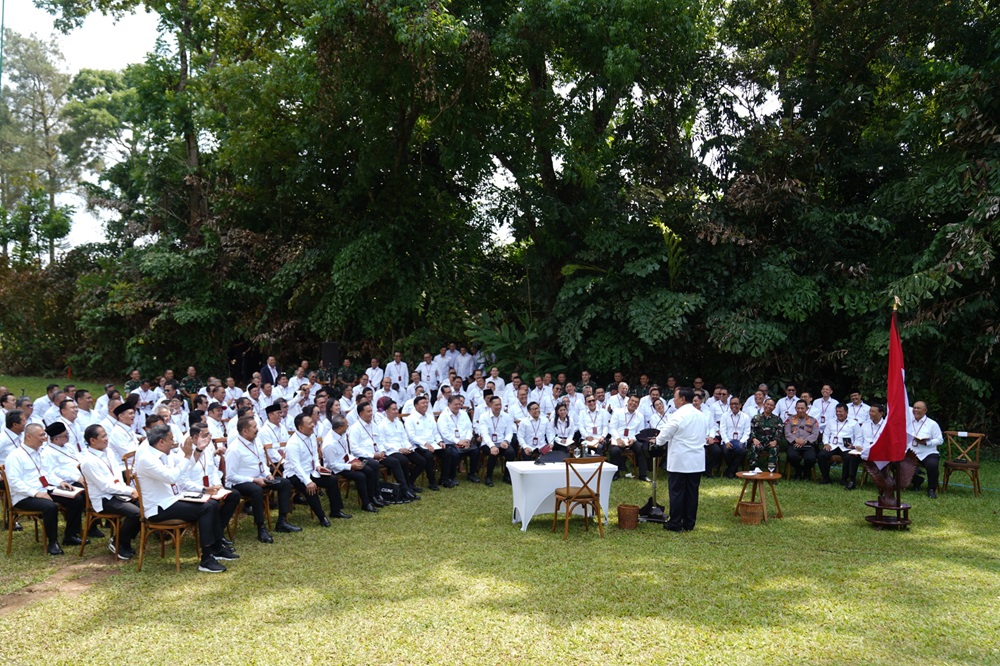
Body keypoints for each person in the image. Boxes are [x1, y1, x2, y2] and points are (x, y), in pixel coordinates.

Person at [133, 425, 237, 573]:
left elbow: (186, 467)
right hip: (158, 508)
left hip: (172, 500)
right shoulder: (147, 459)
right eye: (170, 439)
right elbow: (171, 477)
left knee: (212, 503)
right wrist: (187, 456)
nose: (174, 441)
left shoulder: (165, 455)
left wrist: (198, 450)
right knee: (206, 508)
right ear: (161, 442)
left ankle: (217, 547)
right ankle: (206, 558)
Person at [5, 423, 86, 554]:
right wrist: (36, 493)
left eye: (44, 435)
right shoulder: (15, 456)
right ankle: (52, 542)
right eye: (41, 435)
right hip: (24, 495)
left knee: (76, 499)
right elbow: (14, 482)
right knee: (50, 507)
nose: (44, 438)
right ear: (29, 437)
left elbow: (47, 473)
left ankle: (70, 535)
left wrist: (61, 482)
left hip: (45, 489)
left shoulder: (40, 453)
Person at [225, 416, 300, 543]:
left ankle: (282, 521)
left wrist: (267, 474)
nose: (257, 429)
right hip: (240, 483)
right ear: (244, 431)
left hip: (260, 478)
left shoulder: (256, 441)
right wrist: (253, 480)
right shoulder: (234, 449)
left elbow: (261, 462)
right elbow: (230, 476)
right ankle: (261, 528)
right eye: (254, 427)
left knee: (285, 483)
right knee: (256, 490)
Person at [79, 423, 141, 560]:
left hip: (117, 493)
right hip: (104, 498)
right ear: (92, 441)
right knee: (136, 513)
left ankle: (121, 539)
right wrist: (129, 491)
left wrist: (126, 490)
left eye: (106, 435)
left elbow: (117, 476)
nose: (107, 439)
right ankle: (119, 542)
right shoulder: (89, 461)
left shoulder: (108, 452)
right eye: (103, 436)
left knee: (144, 508)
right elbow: (104, 486)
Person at [285, 414, 351, 525]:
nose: (313, 425)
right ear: (301, 428)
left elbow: (314, 454)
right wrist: (308, 481)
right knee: (310, 488)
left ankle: (336, 510)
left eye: (312, 422)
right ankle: (322, 517)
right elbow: (296, 466)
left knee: (332, 480)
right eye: (309, 423)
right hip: (296, 474)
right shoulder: (293, 443)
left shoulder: (311, 435)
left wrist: (317, 465)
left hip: (311, 470)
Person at [655, 388, 706, 532]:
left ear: (682, 399)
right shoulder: (701, 415)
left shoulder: (678, 415)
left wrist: (657, 441)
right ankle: (689, 523)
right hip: (696, 460)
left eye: (675, 397)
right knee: (692, 493)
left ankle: (676, 522)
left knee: (677, 492)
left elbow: (663, 435)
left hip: (680, 460)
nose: (674, 400)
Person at [322, 414, 384, 512]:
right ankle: (366, 503)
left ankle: (372, 497)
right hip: (338, 468)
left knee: (369, 470)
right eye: (346, 425)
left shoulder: (341, 434)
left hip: (347, 461)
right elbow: (332, 465)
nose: (348, 427)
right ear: (340, 427)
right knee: (361, 476)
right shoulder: (329, 444)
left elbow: (346, 453)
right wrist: (351, 466)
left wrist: (355, 460)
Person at [376, 401, 425, 500]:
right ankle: (405, 489)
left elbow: (404, 437)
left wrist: (408, 447)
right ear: (386, 411)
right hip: (392, 451)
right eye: (393, 409)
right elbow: (383, 443)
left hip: (403, 448)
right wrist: (399, 449)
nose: (396, 411)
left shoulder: (398, 423)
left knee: (422, 461)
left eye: (396, 409)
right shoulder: (382, 425)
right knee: (403, 460)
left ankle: (410, 482)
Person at [437, 395, 480, 486]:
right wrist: (458, 442)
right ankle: (452, 477)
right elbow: (444, 433)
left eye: (459, 404)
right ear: (449, 404)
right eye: (455, 404)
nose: (457, 406)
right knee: (454, 453)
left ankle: (472, 474)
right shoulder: (443, 416)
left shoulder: (463, 413)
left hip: (464, 441)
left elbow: (469, 428)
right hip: (450, 443)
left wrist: (467, 440)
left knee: (475, 450)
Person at [402, 395, 441, 491]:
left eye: (426, 403)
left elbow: (436, 432)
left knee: (447, 452)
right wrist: (425, 444)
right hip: (418, 445)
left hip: (433, 444)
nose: (425, 405)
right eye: (422, 403)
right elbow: (412, 437)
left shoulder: (430, 417)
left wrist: (440, 441)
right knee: (428, 456)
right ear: (416, 406)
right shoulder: (410, 419)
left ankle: (445, 478)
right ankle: (432, 482)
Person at [818, 404, 861, 486]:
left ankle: (844, 479)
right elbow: (826, 434)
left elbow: (859, 437)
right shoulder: (831, 422)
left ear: (846, 412)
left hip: (846, 446)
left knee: (849, 457)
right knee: (821, 455)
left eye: (840, 411)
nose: (838, 413)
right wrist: (826, 443)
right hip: (832, 445)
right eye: (837, 411)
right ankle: (826, 478)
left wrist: (854, 446)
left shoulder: (854, 423)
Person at [908, 400, 943, 498]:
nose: (915, 410)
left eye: (918, 408)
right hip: (911, 451)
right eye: (914, 408)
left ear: (925, 410)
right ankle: (916, 481)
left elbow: (940, 440)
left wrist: (927, 442)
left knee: (932, 464)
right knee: (896, 462)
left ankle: (931, 489)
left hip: (927, 452)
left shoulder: (932, 424)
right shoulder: (908, 422)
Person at [609, 395, 649, 481]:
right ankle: (615, 474)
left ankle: (643, 475)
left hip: (631, 440)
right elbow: (612, 427)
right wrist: (618, 439)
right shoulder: (618, 412)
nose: (633, 403)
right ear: (627, 402)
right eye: (632, 401)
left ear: (638, 405)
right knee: (615, 451)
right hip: (618, 439)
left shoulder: (640, 416)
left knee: (642, 448)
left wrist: (633, 439)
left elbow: (640, 432)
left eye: (636, 402)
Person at [478, 396, 515, 486]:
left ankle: (507, 476)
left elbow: (510, 432)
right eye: (496, 405)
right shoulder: (484, 416)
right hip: (487, 443)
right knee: (494, 452)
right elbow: (485, 434)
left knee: (511, 452)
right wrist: (492, 446)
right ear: (490, 405)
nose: (499, 407)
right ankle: (489, 477)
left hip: (502, 442)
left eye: (500, 404)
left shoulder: (506, 416)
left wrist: (506, 441)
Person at [784, 400, 820, 480]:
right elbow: (787, 432)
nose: (800, 410)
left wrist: (805, 441)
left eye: (802, 408)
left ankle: (807, 471)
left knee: (811, 458)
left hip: (808, 444)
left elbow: (815, 434)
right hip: (794, 444)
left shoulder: (813, 420)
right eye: (798, 408)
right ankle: (798, 470)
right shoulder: (789, 419)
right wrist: (796, 440)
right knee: (792, 456)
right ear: (795, 408)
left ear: (807, 408)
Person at [748, 398, 783, 471]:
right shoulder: (756, 418)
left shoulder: (777, 419)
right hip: (759, 442)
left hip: (771, 443)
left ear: (774, 407)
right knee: (754, 447)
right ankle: (754, 470)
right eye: (767, 404)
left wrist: (775, 441)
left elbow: (779, 432)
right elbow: (751, 430)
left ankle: (771, 472)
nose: (769, 406)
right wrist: (754, 439)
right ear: (764, 405)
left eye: (771, 405)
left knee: (774, 449)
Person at [721, 396, 751, 479]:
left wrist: (741, 442)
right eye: (732, 404)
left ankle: (730, 471)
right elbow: (722, 431)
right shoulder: (725, 416)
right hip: (728, 440)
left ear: (740, 405)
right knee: (726, 451)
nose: (734, 405)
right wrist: (727, 442)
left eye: (736, 404)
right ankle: (734, 470)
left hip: (740, 441)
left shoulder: (745, 417)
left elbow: (747, 432)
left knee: (741, 451)